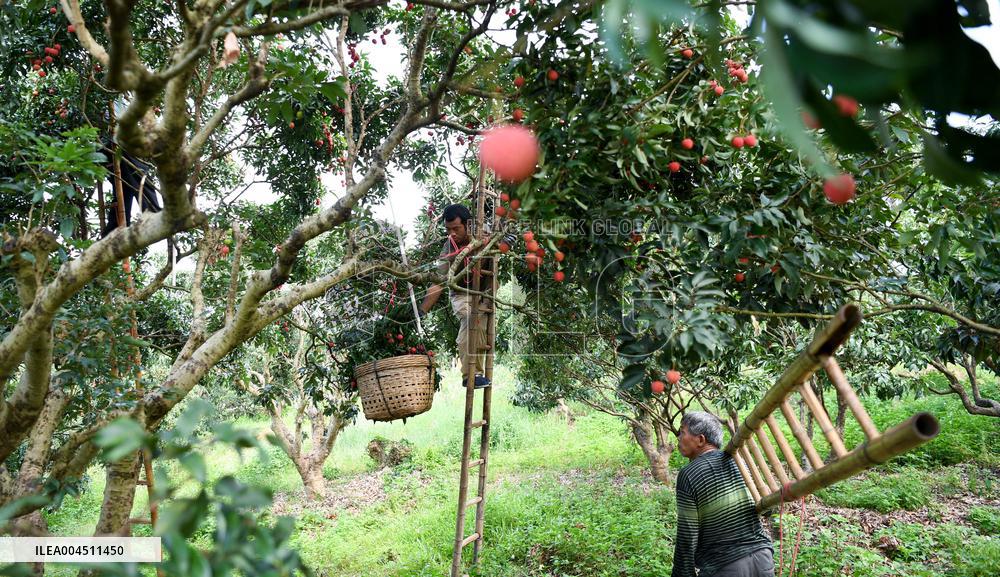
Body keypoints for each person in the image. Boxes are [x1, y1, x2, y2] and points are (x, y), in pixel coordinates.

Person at [672, 411, 774, 577]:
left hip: (725, 566)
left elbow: (687, 533)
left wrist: (682, 574)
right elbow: (764, 508)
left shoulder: (689, 474)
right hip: (763, 558)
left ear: (700, 440)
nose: (678, 437)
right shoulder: (738, 461)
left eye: (682, 432)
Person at [419, 204, 494, 388]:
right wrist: (422, 310)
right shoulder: (448, 248)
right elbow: (439, 282)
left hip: (486, 293)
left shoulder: (484, 232)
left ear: (468, 225)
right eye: (448, 229)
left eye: (456, 228)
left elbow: (502, 241)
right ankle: (471, 375)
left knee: (481, 328)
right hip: (461, 295)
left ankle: (476, 373)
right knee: (470, 321)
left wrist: (500, 240)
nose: (451, 233)